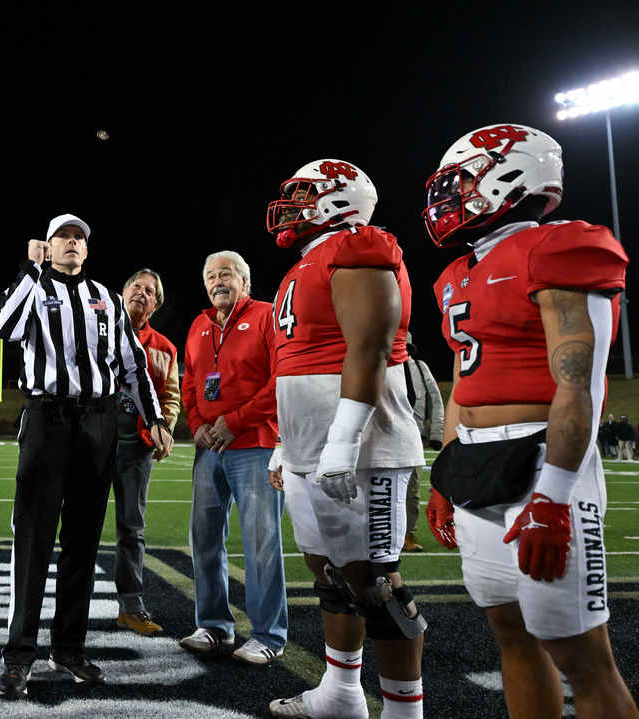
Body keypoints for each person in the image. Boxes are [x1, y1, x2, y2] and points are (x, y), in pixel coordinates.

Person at [423, 123, 636, 718]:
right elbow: (467, 384)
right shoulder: (456, 273)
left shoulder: (559, 245)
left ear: (509, 175)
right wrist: (446, 474)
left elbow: (580, 382)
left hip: (544, 462)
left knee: (580, 654)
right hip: (477, 462)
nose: (448, 196)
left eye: (462, 180)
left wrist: (555, 496)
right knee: (511, 635)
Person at [265, 159, 426, 718]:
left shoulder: (360, 246)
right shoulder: (307, 262)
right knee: (331, 572)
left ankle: (406, 711)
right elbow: (296, 361)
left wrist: (342, 442)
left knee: (376, 582)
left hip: (362, 444)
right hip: (311, 441)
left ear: (340, 198)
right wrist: (289, 443)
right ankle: (340, 695)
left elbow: (370, 347)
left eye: (304, 194)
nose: (291, 205)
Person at [0, 214, 170, 700]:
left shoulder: (108, 299)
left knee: (83, 543)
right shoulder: (31, 287)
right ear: (47, 247)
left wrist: (154, 418)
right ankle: (19, 655)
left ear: (87, 250)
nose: (71, 243)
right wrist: (32, 270)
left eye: (78, 239)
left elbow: (131, 363)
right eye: (62, 238)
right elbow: (2, 327)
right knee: (33, 540)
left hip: (99, 422)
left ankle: (68, 647)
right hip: (47, 420)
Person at [179, 251, 286, 665]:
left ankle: (268, 636)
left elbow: (283, 378)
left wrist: (236, 421)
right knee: (204, 540)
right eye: (210, 275)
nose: (217, 281)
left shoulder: (267, 315)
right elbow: (189, 382)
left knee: (261, 544)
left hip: (255, 444)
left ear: (245, 279)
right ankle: (214, 626)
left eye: (226, 273)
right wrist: (197, 424)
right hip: (209, 449)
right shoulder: (198, 324)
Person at [113, 269, 180, 636]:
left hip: (134, 448)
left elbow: (170, 396)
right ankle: (69, 606)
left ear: (155, 305)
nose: (141, 293)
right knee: (80, 527)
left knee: (132, 529)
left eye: (150, 291)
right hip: (93, 442)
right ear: (122, 292)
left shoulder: (165, 348)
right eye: (135, 286)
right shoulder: (98, 331)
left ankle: (131, 607)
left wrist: (164, 427)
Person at [402, 333, 444, 552]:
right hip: (383, 435)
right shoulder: (378, 362)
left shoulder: (418, 367)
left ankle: (409, 535)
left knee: (413, 489)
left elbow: (436, 399)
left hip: (413, 436)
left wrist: (436, 434)